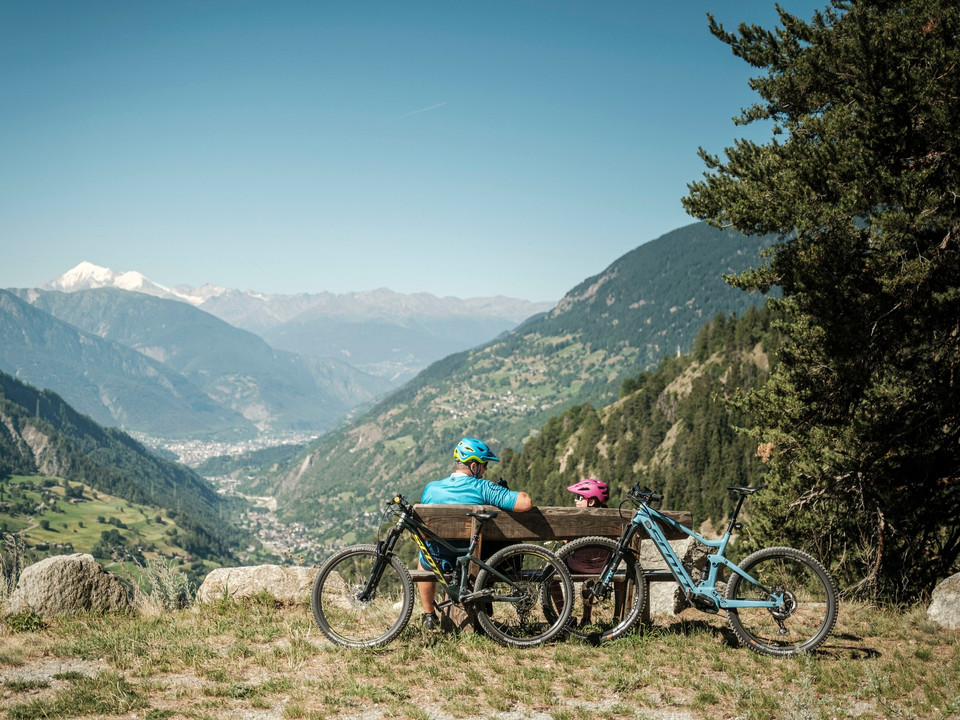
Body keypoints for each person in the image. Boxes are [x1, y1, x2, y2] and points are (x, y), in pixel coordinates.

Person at [417, 437, 533, 629]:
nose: (485, 469)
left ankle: (429, 615)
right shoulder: (484, 488)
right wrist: (500, 492)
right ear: (473, 466)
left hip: (440, 560)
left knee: (423, 557)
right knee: (491, 549)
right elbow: (525, 502)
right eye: (484, 465)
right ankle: (484, 609)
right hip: (472, 560)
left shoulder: (432, 488)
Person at [563, 478, 611, 627]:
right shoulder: (611, 518)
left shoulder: (577, 519)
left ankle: (562, 618)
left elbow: (567, 543)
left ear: (590, 502)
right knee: (590, 578)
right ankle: (587, 617)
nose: (575, 500)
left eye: (579, 497)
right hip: (602, 567)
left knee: (549, 575)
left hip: (576, 565)